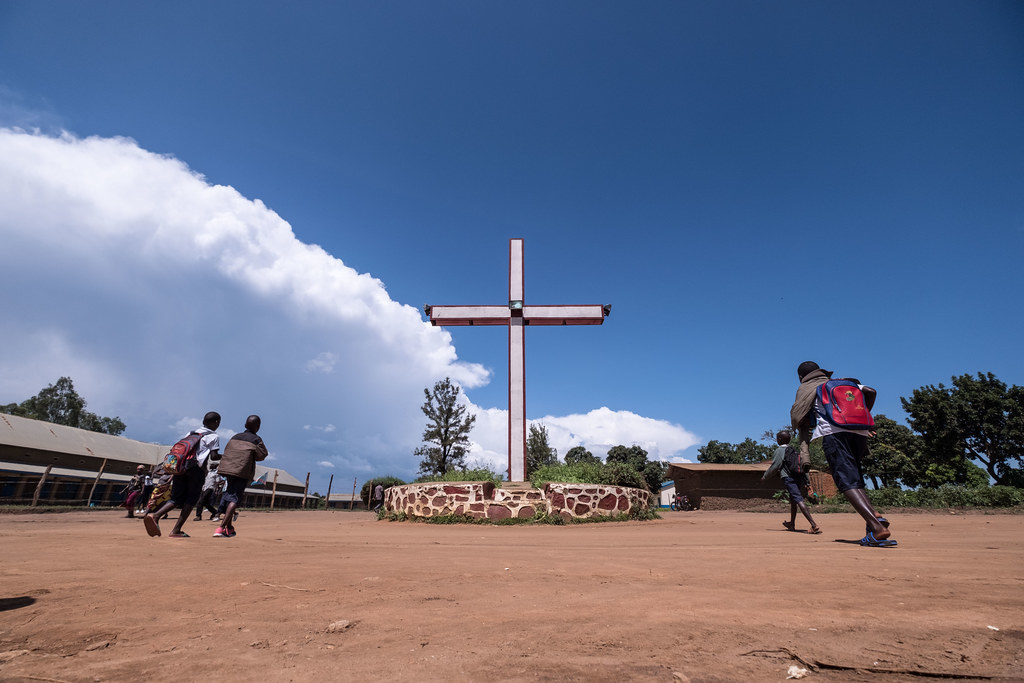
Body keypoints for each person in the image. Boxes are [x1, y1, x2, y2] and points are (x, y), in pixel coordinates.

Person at [791, 361, 896, 547]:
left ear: (801, 376)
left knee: (845, 481)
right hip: (860, 433)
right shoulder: (842, 382)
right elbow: (871, 391)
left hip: (834, 434)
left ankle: (877, 528)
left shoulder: (808, 387)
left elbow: (797, 416)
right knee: (855, 479)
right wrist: (862, 415)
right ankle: (875, 518)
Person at [143, 411, 221, 538]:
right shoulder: (214, 436)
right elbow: (214, 456)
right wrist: (226, 456)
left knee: (176, 498)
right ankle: (176, 530)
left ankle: (155, 515)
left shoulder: (191, 433)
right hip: (196, 470)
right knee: (191, 500)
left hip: (180, 468)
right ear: (216, 422)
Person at [214, 414, 268, 538]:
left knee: (229, 495)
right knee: (234, 499)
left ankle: (229, 528)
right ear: (258, 427)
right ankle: (220, 528)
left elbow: (228, 450)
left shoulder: (235, 436)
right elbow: (263, 455)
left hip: (227, 470)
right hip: (241, 472)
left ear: (245, 425)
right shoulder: (256, 439)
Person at [762, 430, 821, 534]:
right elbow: (803, 469)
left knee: (798, 499)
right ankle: (792, 524)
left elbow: (775, 466)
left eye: (777, 438)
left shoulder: (780, 450)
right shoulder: (794, 450)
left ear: (779, 440)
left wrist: (765, 477)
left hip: (789, 478)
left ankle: (813, 524)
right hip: (798, 478)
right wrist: (807, 483)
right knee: (793, 500)